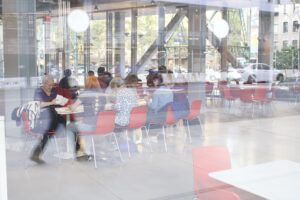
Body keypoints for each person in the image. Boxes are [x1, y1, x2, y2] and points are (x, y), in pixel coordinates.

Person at [66, 75, 106, 158]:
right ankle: (88, 150)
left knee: (69, 127)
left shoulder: (85, 94)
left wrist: (70, 106)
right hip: (100, 126)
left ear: (87, 84)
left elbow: (73, 108)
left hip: (89, 125)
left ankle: (72, 152)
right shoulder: (103, 95)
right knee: (86, 125)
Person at [30, 75, 66, 164]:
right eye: (49, 85)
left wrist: (61, 102)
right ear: (44, 84)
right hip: (42, 118)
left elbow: (58, 102)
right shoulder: (38, 91)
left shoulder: (54, 91)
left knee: (63, 120)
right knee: (53, 124)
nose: (51, 87)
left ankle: (37, 152)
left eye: (52, 85)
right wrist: (51, 102)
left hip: (53, 118)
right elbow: (38, 104)